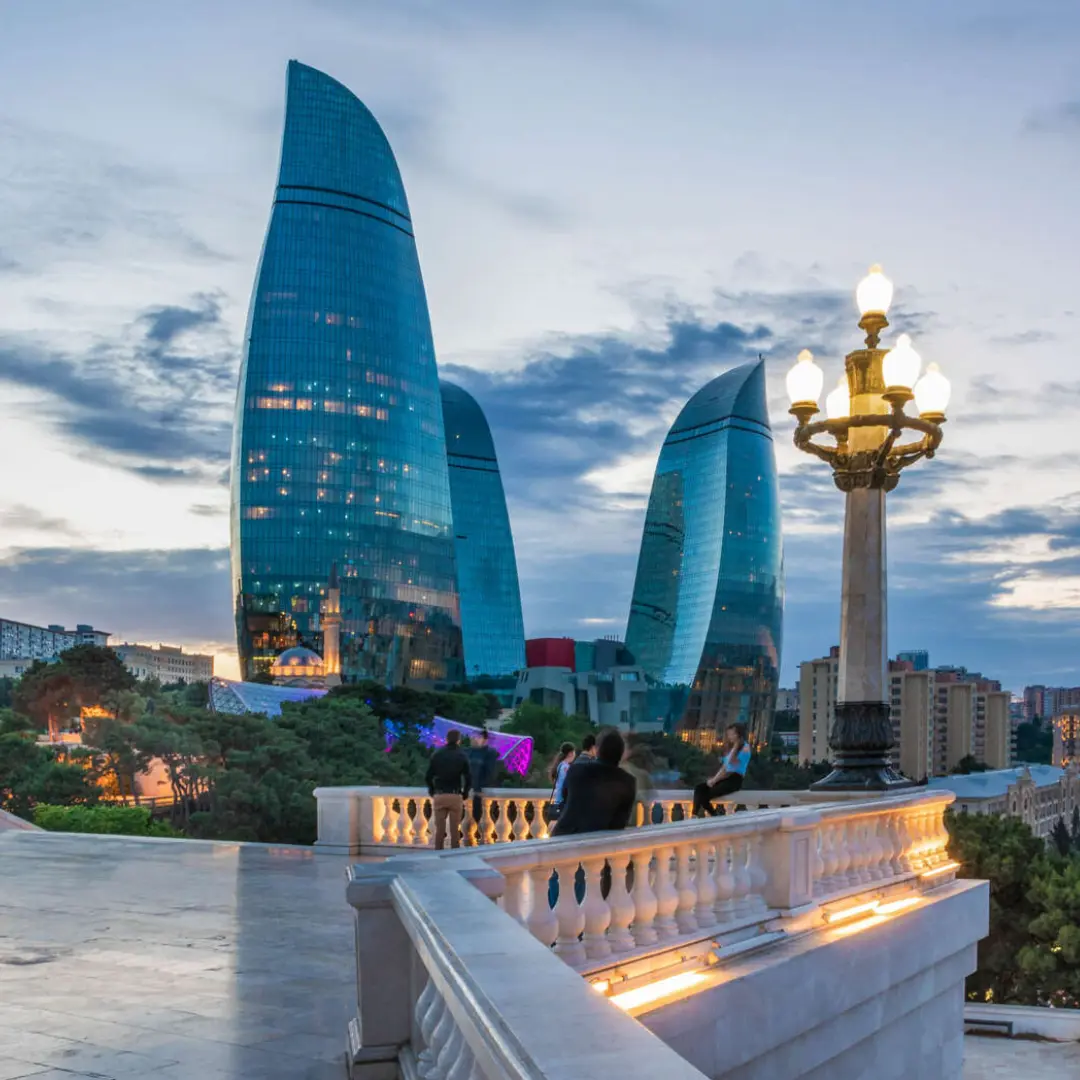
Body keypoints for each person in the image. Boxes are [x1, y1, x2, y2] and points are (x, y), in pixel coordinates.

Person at [551, 729, 636, 837]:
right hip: (596, 844)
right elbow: (619, 823)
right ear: (622, 753)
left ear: (598, 750)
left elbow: (564, 798)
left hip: (563, 838)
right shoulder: (628, 781)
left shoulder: (576, 769)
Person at [692, 723, 751, 817]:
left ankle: (714, 816)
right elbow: (724, 767)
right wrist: (714, 779)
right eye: (729, 734)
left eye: (732, 734)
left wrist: (736, 747)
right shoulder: (730, 748)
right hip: (724, 777)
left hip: (734, 779)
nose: (730, 737)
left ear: (739, 734)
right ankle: (695, 814)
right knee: (699, 788)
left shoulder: (745, 747)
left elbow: (732, 765)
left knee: (706, 795)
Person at [425, 729, 471, 849]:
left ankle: (439, 852)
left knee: (439, 830)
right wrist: (465, 793)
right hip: (455, 795)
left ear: (446, 739)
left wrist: (432, 790)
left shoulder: (437, 754)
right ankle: (454, 855)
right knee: (455, 830)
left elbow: (428, 776)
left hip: (440, 794)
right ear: (458, 740)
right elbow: (468, 777)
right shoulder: (462, 755)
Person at [465, 729, 500, 844]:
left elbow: (491, 773)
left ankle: (489, 839)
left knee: (485, 818)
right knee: (469, 821)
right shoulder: (468, 752)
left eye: (477, 737)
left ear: (485, 740)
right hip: (470, 791)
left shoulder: (490, 753)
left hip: (482, 792)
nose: (473, 739)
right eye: (472, 737)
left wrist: (480, 788)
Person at [548, 742, 576, 820]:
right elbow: (566, 784)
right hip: (563, 801)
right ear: (570, 753)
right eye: (574, 752)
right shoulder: (565, 767)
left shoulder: (561, 765)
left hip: (559, 800)